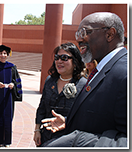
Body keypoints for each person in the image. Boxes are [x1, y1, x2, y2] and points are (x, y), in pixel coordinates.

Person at [42, 12, 127, 147]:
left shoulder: (124, 73)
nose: (80, 39)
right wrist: (69, 121)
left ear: (110, 34)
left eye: (85, 32)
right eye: (78, 34)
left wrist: (80, 141)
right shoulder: (102, 70)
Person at [34, 42, 86, 146]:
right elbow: (42, 106)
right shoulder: (50, 80)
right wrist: (37, 130)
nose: (59, 61)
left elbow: (84, 116)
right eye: (57, 57)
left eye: (64, 58)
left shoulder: (83, 85)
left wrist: (66, 122)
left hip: (68, 138)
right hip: (46, 135)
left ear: (75, 62)